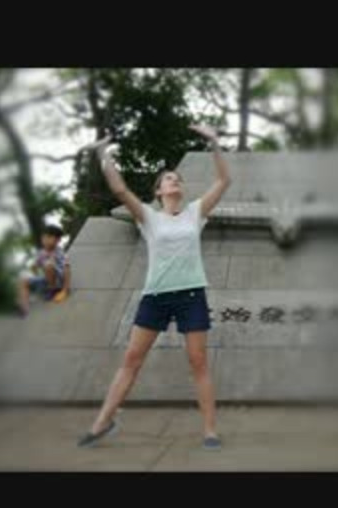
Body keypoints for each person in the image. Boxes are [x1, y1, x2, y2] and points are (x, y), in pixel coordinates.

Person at [78, 125, 230, 450]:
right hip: (155, 297)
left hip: (191, 295)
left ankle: (210, 430)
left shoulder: (195, 213)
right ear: (159, 191)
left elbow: (223, 181)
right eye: (168, 179)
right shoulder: (148, 216)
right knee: (132, 359)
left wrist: (214, 142)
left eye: (178, 179)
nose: (175, 181)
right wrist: (104, 154)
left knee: (198, 362)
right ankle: (102, 421)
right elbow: (120, 189)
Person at [17, 225, 71, 316]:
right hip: (46, 279)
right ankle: (23, 307)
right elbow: (35, 267)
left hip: (58, 281)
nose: (45, 240)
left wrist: (65, 290)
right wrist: (33, 269)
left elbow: (67, 269)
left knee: (48, 265)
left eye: (49, 237)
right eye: (44, 237)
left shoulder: (60, 253)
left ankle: (52, 290)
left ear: (57, 240)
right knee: (23, 280)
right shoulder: (41, 253)